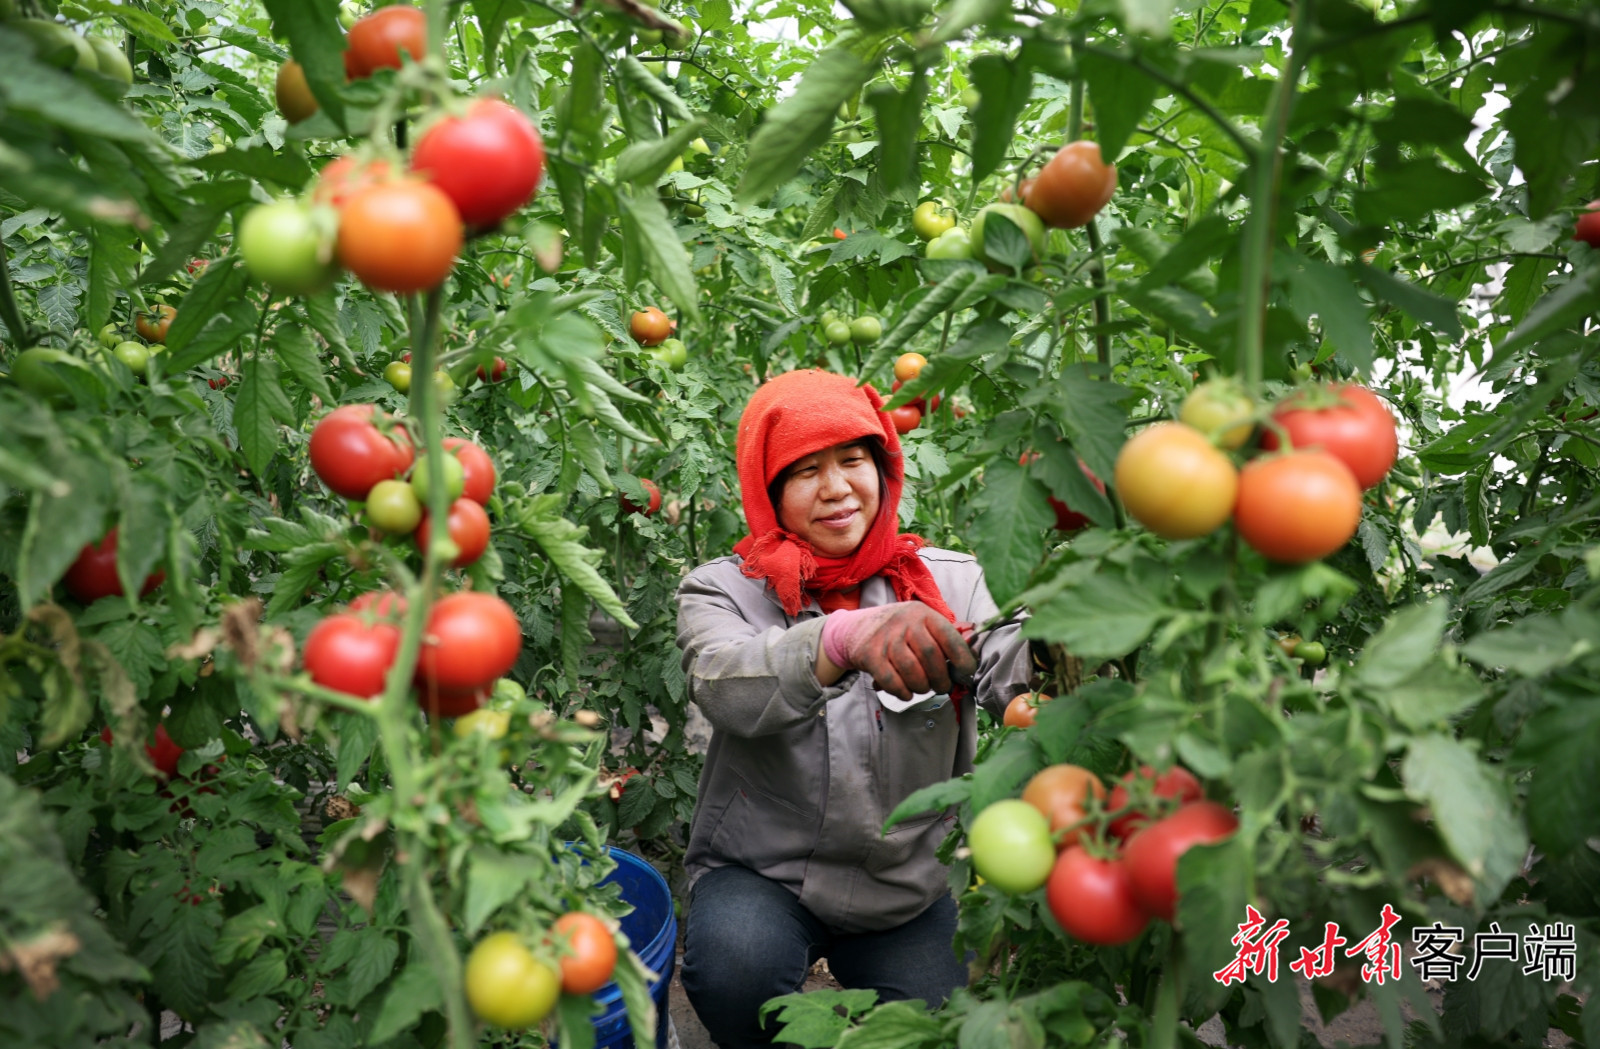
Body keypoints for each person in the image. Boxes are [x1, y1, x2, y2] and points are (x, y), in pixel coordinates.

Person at [676, 369, 1033, 1047]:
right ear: (768, 488)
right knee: (733, 972)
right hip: (763, 871)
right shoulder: (724, 590)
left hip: (905, 887)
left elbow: (1006, 667)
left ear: (883, 467)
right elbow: (725, 681)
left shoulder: (950, 581)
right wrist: (840, 638)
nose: (837, 487)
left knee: (938, 1026)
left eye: (852, 460)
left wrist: (1056, 639)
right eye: (805, 470)